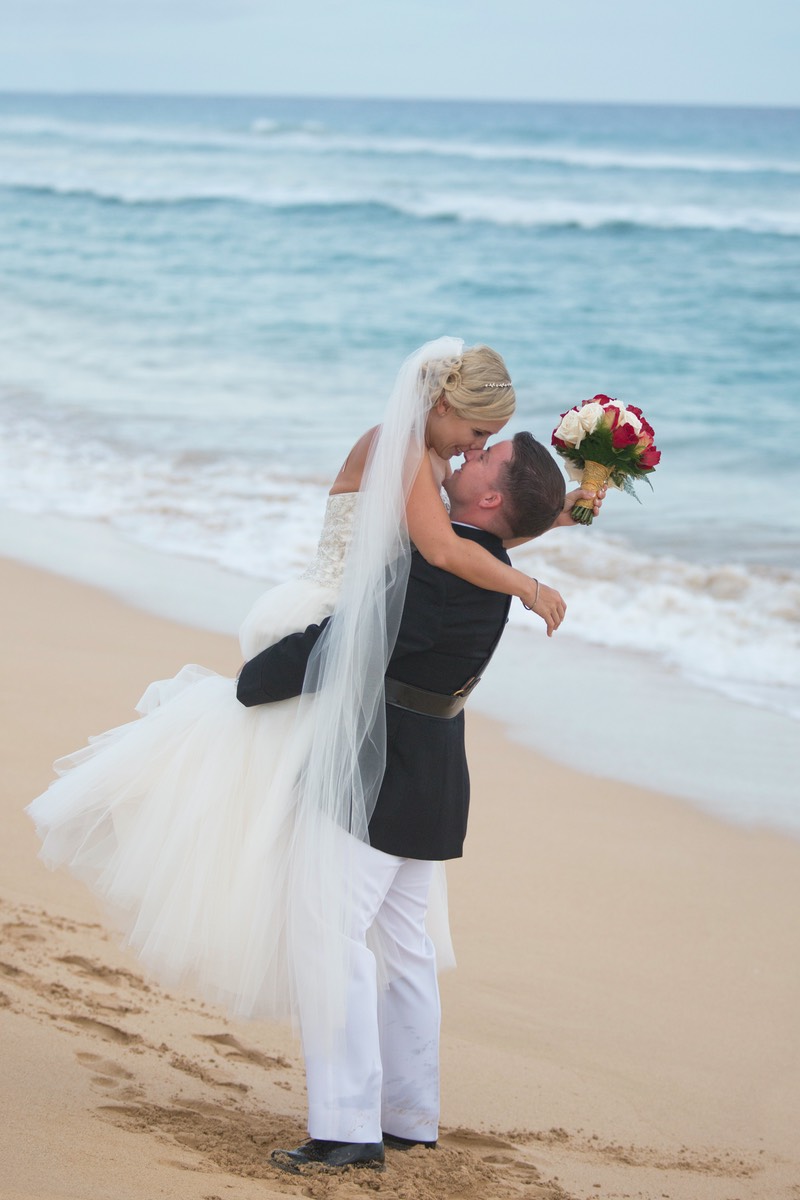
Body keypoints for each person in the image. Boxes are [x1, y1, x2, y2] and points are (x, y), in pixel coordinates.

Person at [27, 338, 585, 1027]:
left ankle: (320, 936)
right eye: (478, 433)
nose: (477, 448)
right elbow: (443, 551)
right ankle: (144, 816)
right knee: (256, 763)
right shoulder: (399, 445)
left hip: (366, 624)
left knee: (298, 794)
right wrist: (526, 584)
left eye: (488, 444)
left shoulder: (435, 457)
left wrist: (554, 516)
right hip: (329, 615)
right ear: (442, 404)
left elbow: (463, 542)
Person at [236, 431, 572, 1173]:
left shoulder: (446, 559)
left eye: (482, 459)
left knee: (334, 940)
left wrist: (257, 679)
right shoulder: (493, 563)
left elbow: (362, 640)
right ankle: (409, 1115)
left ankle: (348, 1130)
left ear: (489, 498)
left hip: (379, 773)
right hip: (433, 773)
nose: (463, 458)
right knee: (404, 948)